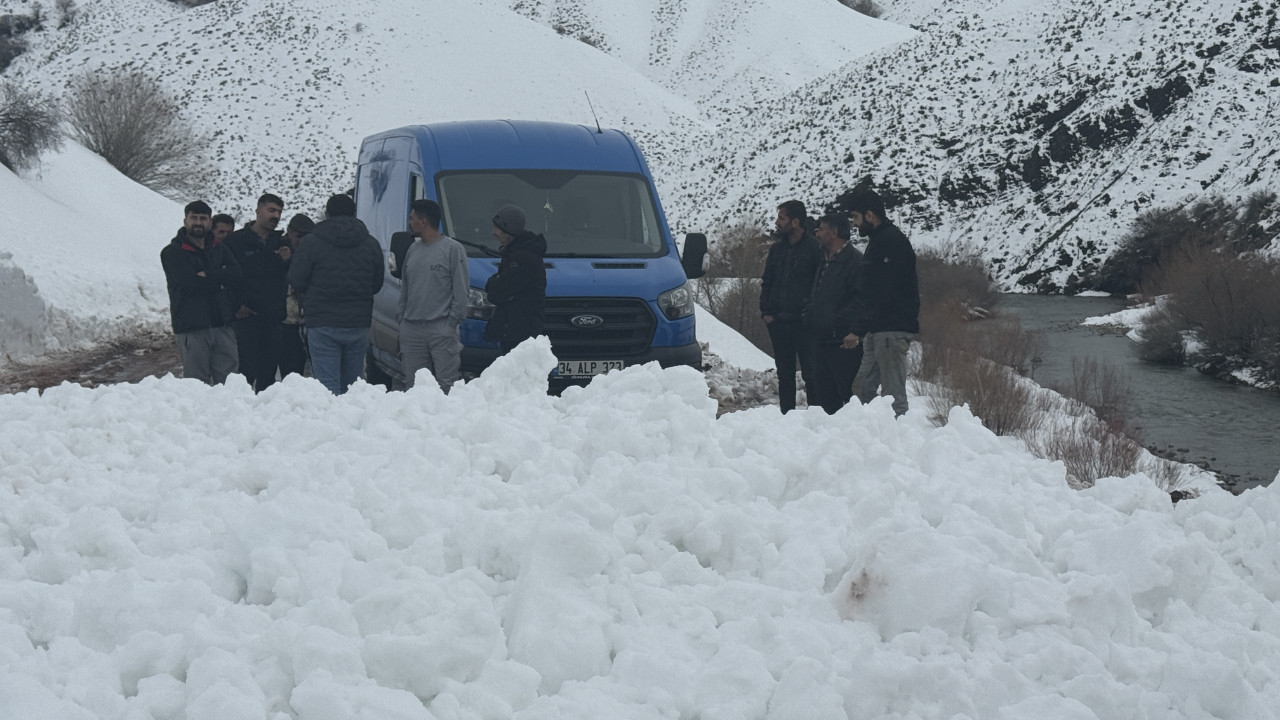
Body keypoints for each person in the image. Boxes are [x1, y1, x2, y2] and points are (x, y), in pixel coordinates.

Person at [287, 193, 384, 395]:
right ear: (354, 214)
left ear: (327, 214)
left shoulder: (311, 243)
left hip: (322, 322)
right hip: (358, 322)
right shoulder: (371, 244)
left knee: (327, 386)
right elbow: (376, 284)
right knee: (353, 385)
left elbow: (296, 281)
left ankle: (331, 415)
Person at [848, 189, 920, 417]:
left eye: (856, 217)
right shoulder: (880, 241)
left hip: (891, 327)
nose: (854, 224)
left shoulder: (891, 242)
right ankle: (868, 430)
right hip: (878, 328)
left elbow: (882, 291)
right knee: (862, 388)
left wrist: (858, 328)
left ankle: (899, 432)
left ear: (869, 215)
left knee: (893, 393)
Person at [160, 200, 244, 385]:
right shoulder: (173, 252)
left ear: (209, 222)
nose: (198, 223)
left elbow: (237, 274)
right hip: (191, 327)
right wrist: (221, 281)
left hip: (222, 325)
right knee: (196, 386)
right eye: (194, 218)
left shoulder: (219, 248)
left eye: (203, 218)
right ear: (185, 221)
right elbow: (190, 285)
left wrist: (209, 274)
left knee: (230, 384)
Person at [399, 199, 469, 391]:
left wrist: (451, 324)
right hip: (412, 329)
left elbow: (461, 291)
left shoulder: (453, 250)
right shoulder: (413, 249)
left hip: (441, 329)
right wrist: (402, 320)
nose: (409, 223)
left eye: (412, 218)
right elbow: (405, 288)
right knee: (414, 387)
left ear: (423, 221)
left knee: (446, 386)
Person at [759, 199, 822, 413]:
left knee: (811, 373)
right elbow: (767, 281)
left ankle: (815, 416)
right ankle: (787, 416)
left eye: (782, 218)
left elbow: (820, 284)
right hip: (778, 322)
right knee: (784, 374)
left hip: (804, 324)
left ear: (795, 222)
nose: (777, 222)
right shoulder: (777, 249)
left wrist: (810, 314)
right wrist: (766, 312)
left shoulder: (814, 248)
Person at [226, 193, 289, 392]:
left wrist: (287, 261)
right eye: (271, 210)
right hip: (246, 319)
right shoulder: (235, 242)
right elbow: (227, 278)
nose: (275, 216)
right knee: (244, 374)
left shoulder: (282, 244)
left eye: (279, 212)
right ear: (258, 210)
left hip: (273, 319)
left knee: (268, 377)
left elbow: (290, 278)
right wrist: (236, 306)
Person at [803, 214, 864, 414]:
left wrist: (841, 323)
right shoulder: (825, 260)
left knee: (845, 395)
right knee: (824, 397)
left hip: (843, 342)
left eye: (821, 229)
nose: (817, 234)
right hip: (820, 338)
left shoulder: (855, 262)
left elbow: (860, 299)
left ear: (834, 232)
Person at [485, 204, 546, 355]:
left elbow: (496, 293)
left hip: (518, 334)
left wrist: (494, 281)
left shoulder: (521, 259)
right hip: (518, 331)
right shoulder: (518, 254)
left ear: (509, 229)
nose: (493, 232)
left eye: (497, 228)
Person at [278, 213, 314, 379]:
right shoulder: (279, 249)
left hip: (311, 320)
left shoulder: (314, 252)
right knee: (290, 371)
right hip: (287, 320)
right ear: (290, 232)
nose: (302, 240)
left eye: (306, 236)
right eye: (299, 235)